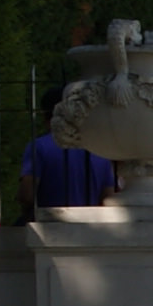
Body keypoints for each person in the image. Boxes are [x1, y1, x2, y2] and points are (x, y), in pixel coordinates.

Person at [19, 85, 114, 213]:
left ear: (47, 117)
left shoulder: (39, 147)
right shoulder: (99, 150)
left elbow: (27, 195)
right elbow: (108, 198)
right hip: (90, 221)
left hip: (50, 221)